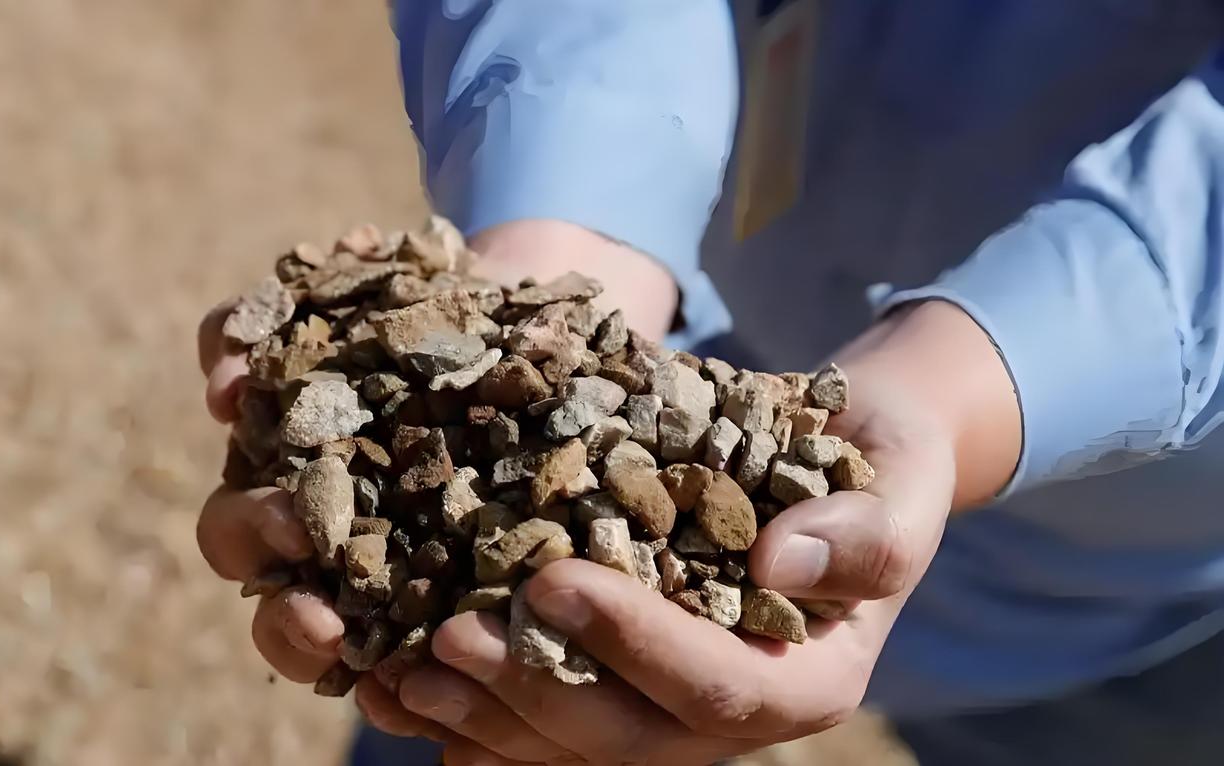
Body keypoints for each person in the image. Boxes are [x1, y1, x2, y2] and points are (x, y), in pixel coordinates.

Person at [196, 1, 1224, 764]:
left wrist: (959, 389)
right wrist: (564, 246)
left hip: (1122, 585)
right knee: (472, 693)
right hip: (687, 338)